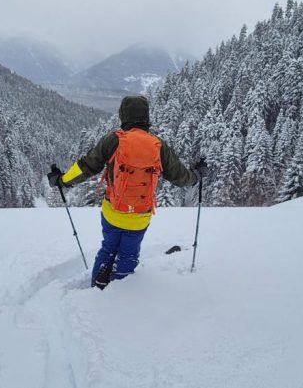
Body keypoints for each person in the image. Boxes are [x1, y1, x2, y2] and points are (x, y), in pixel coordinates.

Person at [47, 95, 205, 289]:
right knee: (129, 254)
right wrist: (197, 175)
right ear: (146, 117)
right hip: (140, 215)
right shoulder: (158, 145)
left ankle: (97, 289)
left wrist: (62, 181)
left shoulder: (113, 140)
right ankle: (121, 290)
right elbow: (181, 177)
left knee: (107, 250)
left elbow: (86, 166)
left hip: (112, 212)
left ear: (123, 115)